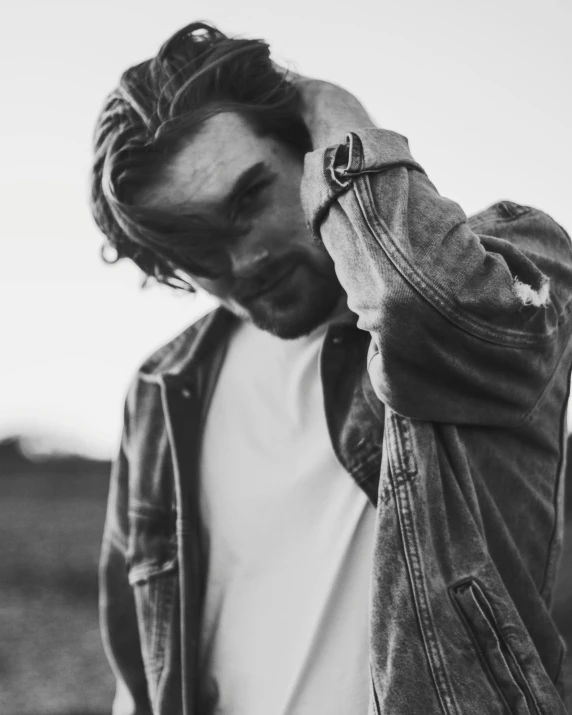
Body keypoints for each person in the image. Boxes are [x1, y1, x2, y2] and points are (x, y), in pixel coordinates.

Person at [91, 21, 572, 715]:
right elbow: (142, 673)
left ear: (309, 150)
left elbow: (414, 301)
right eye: (198, 251)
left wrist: (323, 102)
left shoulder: (505, 271)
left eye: (251, 199)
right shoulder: (165, 391)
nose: (245, 260)